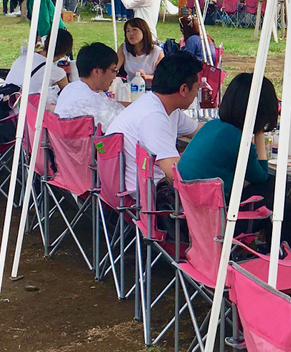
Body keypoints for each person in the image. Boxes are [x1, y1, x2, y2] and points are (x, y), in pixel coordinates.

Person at [105, 50, 202, 197]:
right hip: (144, 196)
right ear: (183, 89)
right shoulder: (154, 117)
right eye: (197, 88)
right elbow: (178, 173)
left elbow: (200, 130)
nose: (196, 94)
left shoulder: (163, 106)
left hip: (144, 187)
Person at [178, 71, 280, 211]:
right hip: (212, 212)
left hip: (187, 206)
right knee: (273, 190)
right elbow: (261, 177)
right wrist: (259, 131)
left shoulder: (212, 125)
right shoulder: (238, 141)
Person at [55, 42, 125, 130]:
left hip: (62, 137)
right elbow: (121, 123)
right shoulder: (92, 100)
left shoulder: (71, 87)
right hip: (80, 139)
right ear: (97, 71)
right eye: (113, 71)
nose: (114, 76)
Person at [7, 30, 74, 109]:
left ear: (45, 42)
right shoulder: (57, 72)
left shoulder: (24, 57)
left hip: (6, 105)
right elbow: (70, 96)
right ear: (64, 53)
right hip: (25, 111)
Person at [118, 17, 164, 82]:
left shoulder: (157, 52)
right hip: (130, 86)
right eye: (128, 31)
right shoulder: (124, 48)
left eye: (134, 30)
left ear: (144, 31)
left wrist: (146, 77)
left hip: (151, 87)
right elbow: (114, 68)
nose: (131, 33)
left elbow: (163, 77)